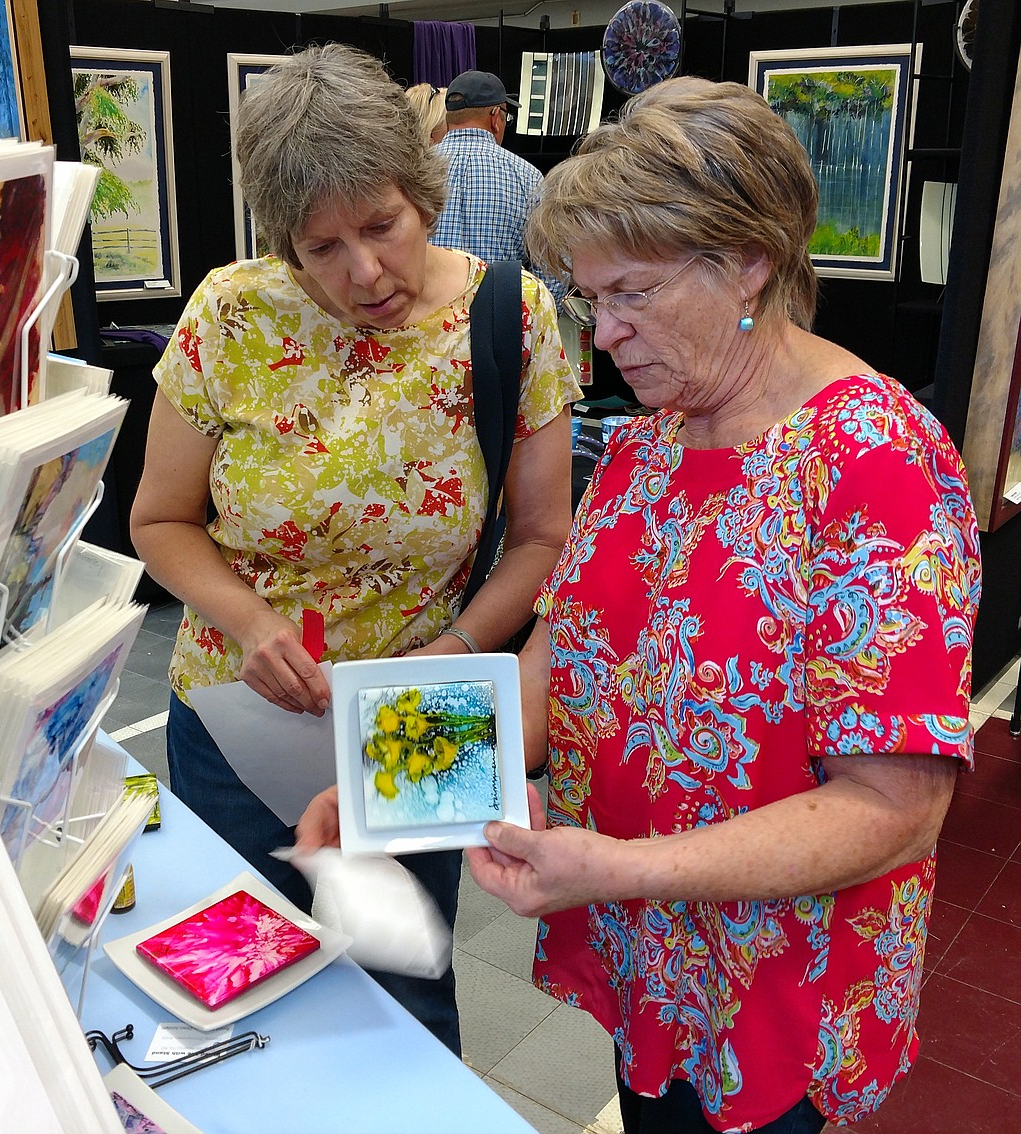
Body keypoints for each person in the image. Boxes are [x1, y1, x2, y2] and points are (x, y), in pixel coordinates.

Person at [299, 76, 982, 1130]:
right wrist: (390, 773)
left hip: (779, 986)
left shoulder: (876, 463)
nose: (603, 334)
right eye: (588, 298)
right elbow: (560, 668)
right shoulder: (651, 443)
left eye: (632, 294)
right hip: (651, 959)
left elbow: (894, 808)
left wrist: (621, 869)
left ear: (748, 259)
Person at [130, 42, 581, 1057]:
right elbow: (158, 519)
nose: (364, 271)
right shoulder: (231, 315)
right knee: (235, 992)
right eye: (320, 248)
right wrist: (249, 622)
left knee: (401, 1001)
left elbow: (546, 535)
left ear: (424, 193)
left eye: (382, 226)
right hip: (238, 715)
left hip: (424, 714)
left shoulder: (511, 315)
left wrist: (456, 650)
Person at [430, 69, 565, 305]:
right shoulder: (527, 177)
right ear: (495, 117)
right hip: (500, 325)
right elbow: (553, 269)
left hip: (426, 328)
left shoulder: (413, 170)